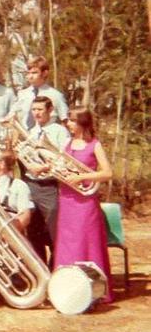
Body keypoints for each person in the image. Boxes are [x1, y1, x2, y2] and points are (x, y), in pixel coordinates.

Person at [54, 107, 113, 303]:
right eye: (68, 121)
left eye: (72, 121)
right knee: (68, 245)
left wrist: (82, 176)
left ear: (83, 123)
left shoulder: (94, 145)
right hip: (67, 200)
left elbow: (107, 173)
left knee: (87, 242)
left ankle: (95, 290)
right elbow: (59, 166)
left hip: (86, 203)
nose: (69, 124)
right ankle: (68, 291)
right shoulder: (67, 144)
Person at [21, 96, 71, 263]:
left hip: (49, 185)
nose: (36, 113)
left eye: (40, 109)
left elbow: (64, 158)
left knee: (53, 230)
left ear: (50, 110)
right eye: (34, 109)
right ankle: (41, 269)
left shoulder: (60, 131)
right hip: (31, 184)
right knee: (33, 231)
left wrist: (43, 168)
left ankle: (56, 266)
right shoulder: (30, 131)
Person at [0, 149, 34, 234]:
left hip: (12, 233)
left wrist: (8, 234)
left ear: (2, 164)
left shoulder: (19, 185)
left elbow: (25, 217)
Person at [14, 56, 69, 128]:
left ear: (44, 73)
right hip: (27, 136)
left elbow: (65, 119)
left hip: (48, 135)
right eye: (28, 73)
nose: (30, 76)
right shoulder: (22, 94)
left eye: (34, 73)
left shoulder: (56, 95)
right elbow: (14, 116)